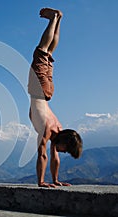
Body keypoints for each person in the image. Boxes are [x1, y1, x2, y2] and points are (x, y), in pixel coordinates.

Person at [28, 8, 83, 188]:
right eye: (66, 150)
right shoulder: (49, 130)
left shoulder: (57, 130)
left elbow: (54, 158)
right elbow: (42, 155)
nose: (63, 152)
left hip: (48, 92)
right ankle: (54, 18)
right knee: (42, 50)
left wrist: (55, 180)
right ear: (64, 142)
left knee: (49, 54)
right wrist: (41, 181)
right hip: (39, 89)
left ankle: (59, 19)